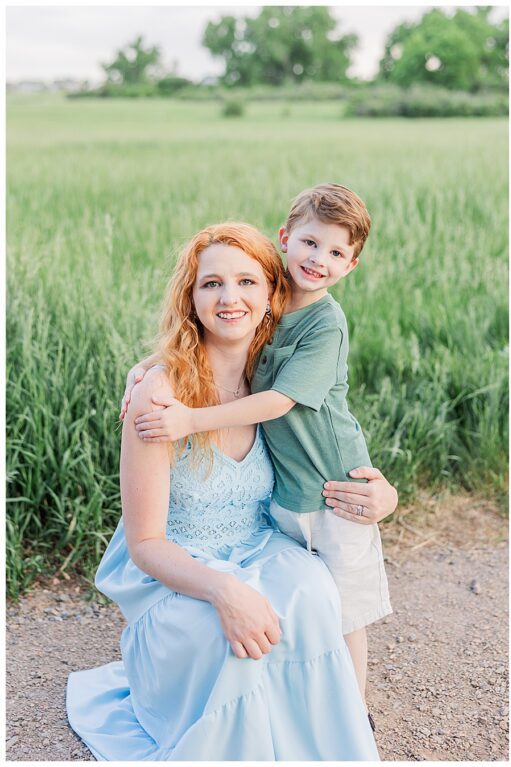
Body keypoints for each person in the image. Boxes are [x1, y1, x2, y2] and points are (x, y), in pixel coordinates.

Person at [66, 222, 384, 760]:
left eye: (246, 282)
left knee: (313, 593)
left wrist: (384, 494)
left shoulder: (271, 379)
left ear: (271, 294)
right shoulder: (161, 398)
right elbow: (145, 545)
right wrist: (222, 590)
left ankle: (320, 729)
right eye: (211, 284)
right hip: (175, 566)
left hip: (256, 545)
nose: (230, 298)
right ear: (191, 298)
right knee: (229, 639)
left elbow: (334, 435)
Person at [127, 184, 390, 705]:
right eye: (310, 245)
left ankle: (352, 708)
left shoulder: (321, 324)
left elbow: (278, 403)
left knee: (339, 606)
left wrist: (190, 421)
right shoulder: (268, 315)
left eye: (337, 253)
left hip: (336, 489)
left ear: (352, 265)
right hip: (274, 509)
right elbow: (201, 337)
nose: (318, 260)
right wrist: (148, 367)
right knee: (285, 619)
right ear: (286, 241)